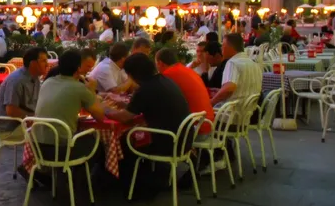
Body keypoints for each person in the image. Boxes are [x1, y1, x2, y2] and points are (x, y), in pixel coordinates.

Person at [105, 53, 192, 198]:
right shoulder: (164, 80)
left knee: (125, 142)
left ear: (133, 74)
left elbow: (125, 117)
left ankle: (129, 186)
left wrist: (105, 109)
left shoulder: (145, 89)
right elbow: (142, 105)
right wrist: (123, 104)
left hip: (168, 143)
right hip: (184, 139)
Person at [35, 49, 106, 160]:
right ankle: (79, 176)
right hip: (61, 148)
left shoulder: (47, 82)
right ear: (78, 68)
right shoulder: (79, 88)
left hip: (36, 146)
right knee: (98, 143)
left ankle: (66, 174)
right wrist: (92, 91)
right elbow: (100, 117)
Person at [0, 47, 49, 138]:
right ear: (33, 64)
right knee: (51, 133)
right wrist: (31, 118)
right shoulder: (17, 80)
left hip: (23, 123)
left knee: (53, 126)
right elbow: (11, 111)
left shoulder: (35, 78)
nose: (47, 64)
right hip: (11, 129)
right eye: (43, 61)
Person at [155, 48, 214, 136]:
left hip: (195, 129)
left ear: (160, 63)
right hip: (208, 123)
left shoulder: (167, 75)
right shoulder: (186, 70)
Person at [210, 33, 262, 107]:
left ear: (230, 47)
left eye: (223, 45)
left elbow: (229, 88)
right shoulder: (254, 64)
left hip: (232, 114)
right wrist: (219, 91)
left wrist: (211, 102)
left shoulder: (232, 63)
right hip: (250, 113)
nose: (221, 48)